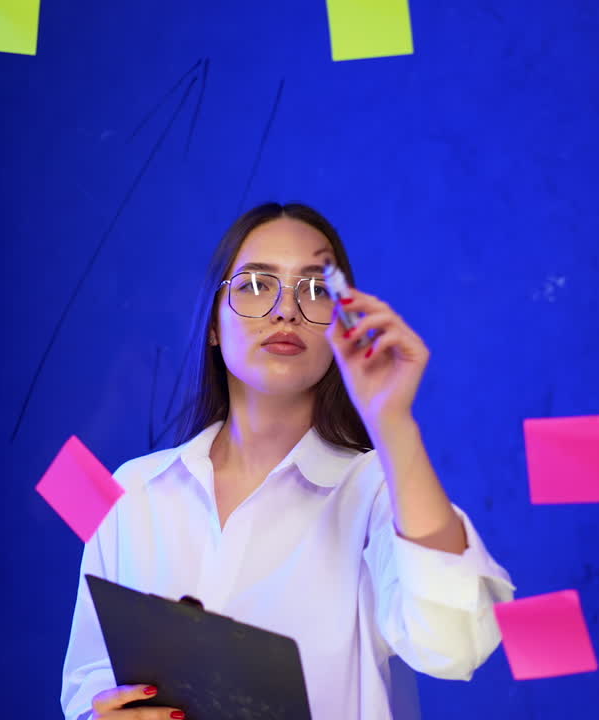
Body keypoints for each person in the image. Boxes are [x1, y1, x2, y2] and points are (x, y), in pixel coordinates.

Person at [61, 202, 515, 719]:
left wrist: (395, 424)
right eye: (256, 285)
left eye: (316, 290)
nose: (286, 310)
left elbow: (454, 647)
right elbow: (88, 680)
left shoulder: (375, 492)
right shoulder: (134, 491)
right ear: (212, 324)